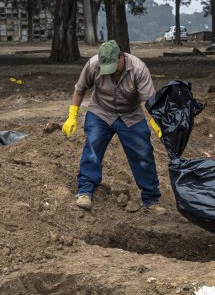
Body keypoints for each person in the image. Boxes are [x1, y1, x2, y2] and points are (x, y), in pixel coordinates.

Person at [62, 40, 166, 214]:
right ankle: (85, 191)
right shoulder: (93, 65)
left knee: (143, 153)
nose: (109, 71)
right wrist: (72, 116)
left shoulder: (138, 69)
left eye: (113, 65)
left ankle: (151, 199)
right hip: (100, 112)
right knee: (92, 148)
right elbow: (80, 90)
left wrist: (156, 121)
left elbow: (149, 100)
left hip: (130, 115)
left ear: (121, 56)